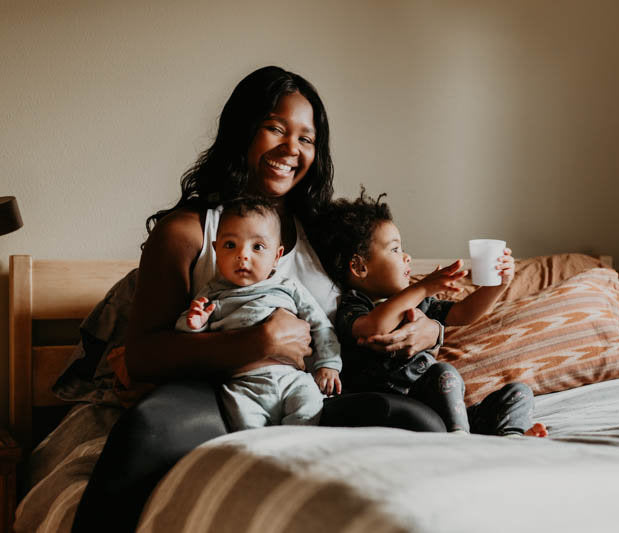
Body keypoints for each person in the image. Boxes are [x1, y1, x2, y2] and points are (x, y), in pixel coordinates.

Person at [72, 66, 446, 533]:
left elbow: (378, 300)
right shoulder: (188, 231)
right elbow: (146, 355)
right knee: (147, 429)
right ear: (243, 131)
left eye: (307, 139)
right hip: (215, 395)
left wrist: (430, 329)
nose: (292, 148)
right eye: (276, 128)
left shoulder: (323, 233)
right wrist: (257, 341)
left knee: (419, 422)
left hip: (310, 395)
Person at [313, 189, 549, 437]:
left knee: (520, 392)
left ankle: (511, 437)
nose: (407, 256)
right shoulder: (355, 304)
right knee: (443, 372)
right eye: (394, 250)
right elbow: (374, 326)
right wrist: (423, 287)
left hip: (447, 409)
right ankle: (460, 439)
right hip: (399, 411)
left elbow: (464, 313)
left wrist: (499, 284)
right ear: (360, 266)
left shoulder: (421, 301)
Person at [176, 196, 342, 429]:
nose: (243, 255)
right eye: (230, 245)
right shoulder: (212, 293)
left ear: (277, 256)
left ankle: (294, 452)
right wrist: (194, 323)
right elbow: (189, 340)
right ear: (215, 250)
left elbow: (320, 324)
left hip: (292, 378)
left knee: (309, 409)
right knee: (247, 430)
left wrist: (329, 363)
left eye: (258, 247)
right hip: (242, 385)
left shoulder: (288, 286)